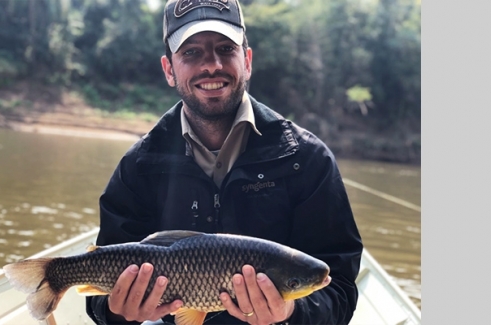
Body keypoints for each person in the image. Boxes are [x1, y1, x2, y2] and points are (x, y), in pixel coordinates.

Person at [85, 0, 363, 324]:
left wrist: (290, 313)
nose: (211, 65)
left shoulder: (307, 160)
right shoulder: (138, 167)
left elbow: (340, 290)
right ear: (169, 70)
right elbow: (99, 300)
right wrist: (118, 311)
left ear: (246, 60)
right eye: (191, 52)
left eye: (225, 48)